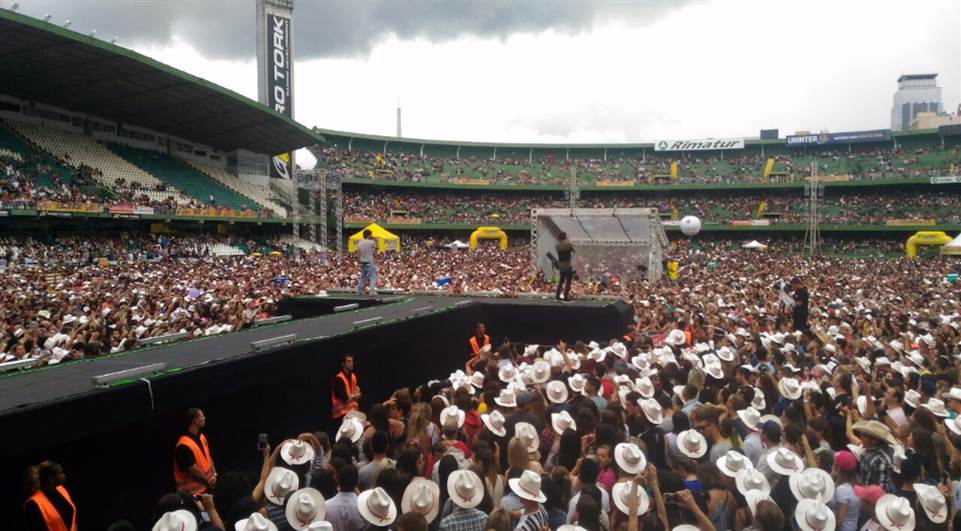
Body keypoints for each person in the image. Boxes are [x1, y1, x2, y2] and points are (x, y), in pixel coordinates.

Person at [173, 408, 216, 495]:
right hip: (193, 494)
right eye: (202, 416)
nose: (204, 418)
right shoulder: (183, 445)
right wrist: (208, 481)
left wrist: (214, 474)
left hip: (208, 487)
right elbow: (193, 470)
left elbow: (208, 457)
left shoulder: (202, 437)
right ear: (195, 421)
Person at [24, 461, 76, 531]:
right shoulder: (33, 503)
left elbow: (71, 518)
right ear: (51, 479)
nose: (64, 475)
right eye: (60, 473)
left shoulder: (61, 489)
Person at [331, 354, 361, 421]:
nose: (351, 363)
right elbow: (345, 399)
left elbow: (359, 394)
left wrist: (354, 396)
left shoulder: (353, 376)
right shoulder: (338, 378)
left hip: (353, 411)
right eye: (349, 361)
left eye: (352, 361)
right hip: (342, 414)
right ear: (343, 364)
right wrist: (354, 396)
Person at [356, 229, 377, 295]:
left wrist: (359, 261)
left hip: (362, 261)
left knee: (362, 276)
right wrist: (375, 240)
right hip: (369, 262)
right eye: (371, 234)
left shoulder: (360, 242)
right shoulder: (371, 242)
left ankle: (359, 290)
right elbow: (377, 248)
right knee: (373, 276)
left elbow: (358, 253)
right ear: (369, 235)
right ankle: (372, 290)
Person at [555, 232, 574, 301]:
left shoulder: (557, 245)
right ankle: (566, 296)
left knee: (561, 281)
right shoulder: (568, 244)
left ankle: (557, 295)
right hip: (567, 265)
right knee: (568, 281)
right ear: (565, 237)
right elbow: (573, 251)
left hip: (561, 265)